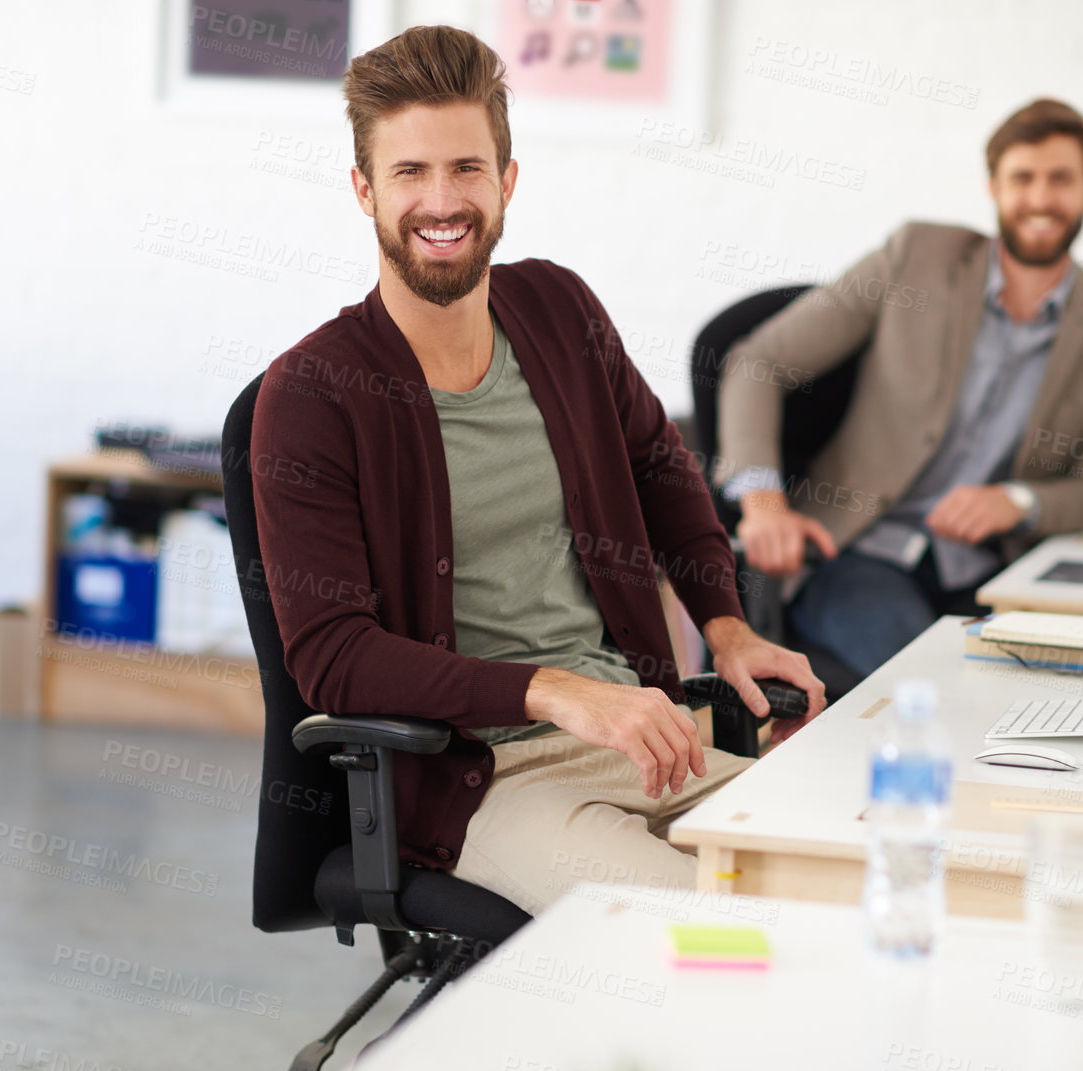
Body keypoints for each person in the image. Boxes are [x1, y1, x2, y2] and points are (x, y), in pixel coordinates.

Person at [251, 26, 824, 917]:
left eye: (466, 168)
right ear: (363, 189)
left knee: (834, 879)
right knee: (710, 933)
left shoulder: (556, 306)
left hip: (647, 737)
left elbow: (658, 467)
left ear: (506, 180)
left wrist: (727, 625)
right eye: (409, 173)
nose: (442, 201)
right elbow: (334, 659)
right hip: (489, 781)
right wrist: (557, 693)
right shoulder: (313, 394)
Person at [715, 98, 1083, 682]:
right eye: (1023, 178)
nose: (1042, 199)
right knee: (935, 688)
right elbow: (759, 361)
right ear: (993, 186)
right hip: (858, 553)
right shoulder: (917, 257)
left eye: (1061, 179)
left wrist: (1019, 501)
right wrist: (765, 504)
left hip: (992, 571)